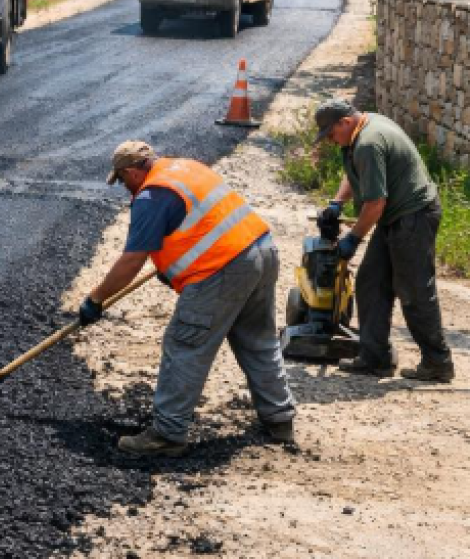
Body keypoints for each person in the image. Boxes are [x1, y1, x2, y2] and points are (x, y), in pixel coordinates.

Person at [79, 141, 296, 457]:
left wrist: (95, 300)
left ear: (130, 172)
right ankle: (280, 421)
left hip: (223, 268)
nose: (125, 188)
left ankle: (167, 434)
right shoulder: (185, 168)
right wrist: (172, 267)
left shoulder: (151, 196)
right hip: (262, 250)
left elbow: (131, 261)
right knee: (258, 340)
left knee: (185, 345)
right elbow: (199, 223)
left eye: (123, 180)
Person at [314, 99, 454, 382]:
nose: (330, 139)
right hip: (396, 216)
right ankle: (374, 357)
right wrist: (337, 202)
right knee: (371, 281)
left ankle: (438, 362)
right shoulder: (364, 128)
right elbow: (357, 172)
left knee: (414, 290)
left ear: (345, 122)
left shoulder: (368, 142)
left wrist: (353, 239)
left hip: (414, 216)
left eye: (331, 133)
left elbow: (376, 203)